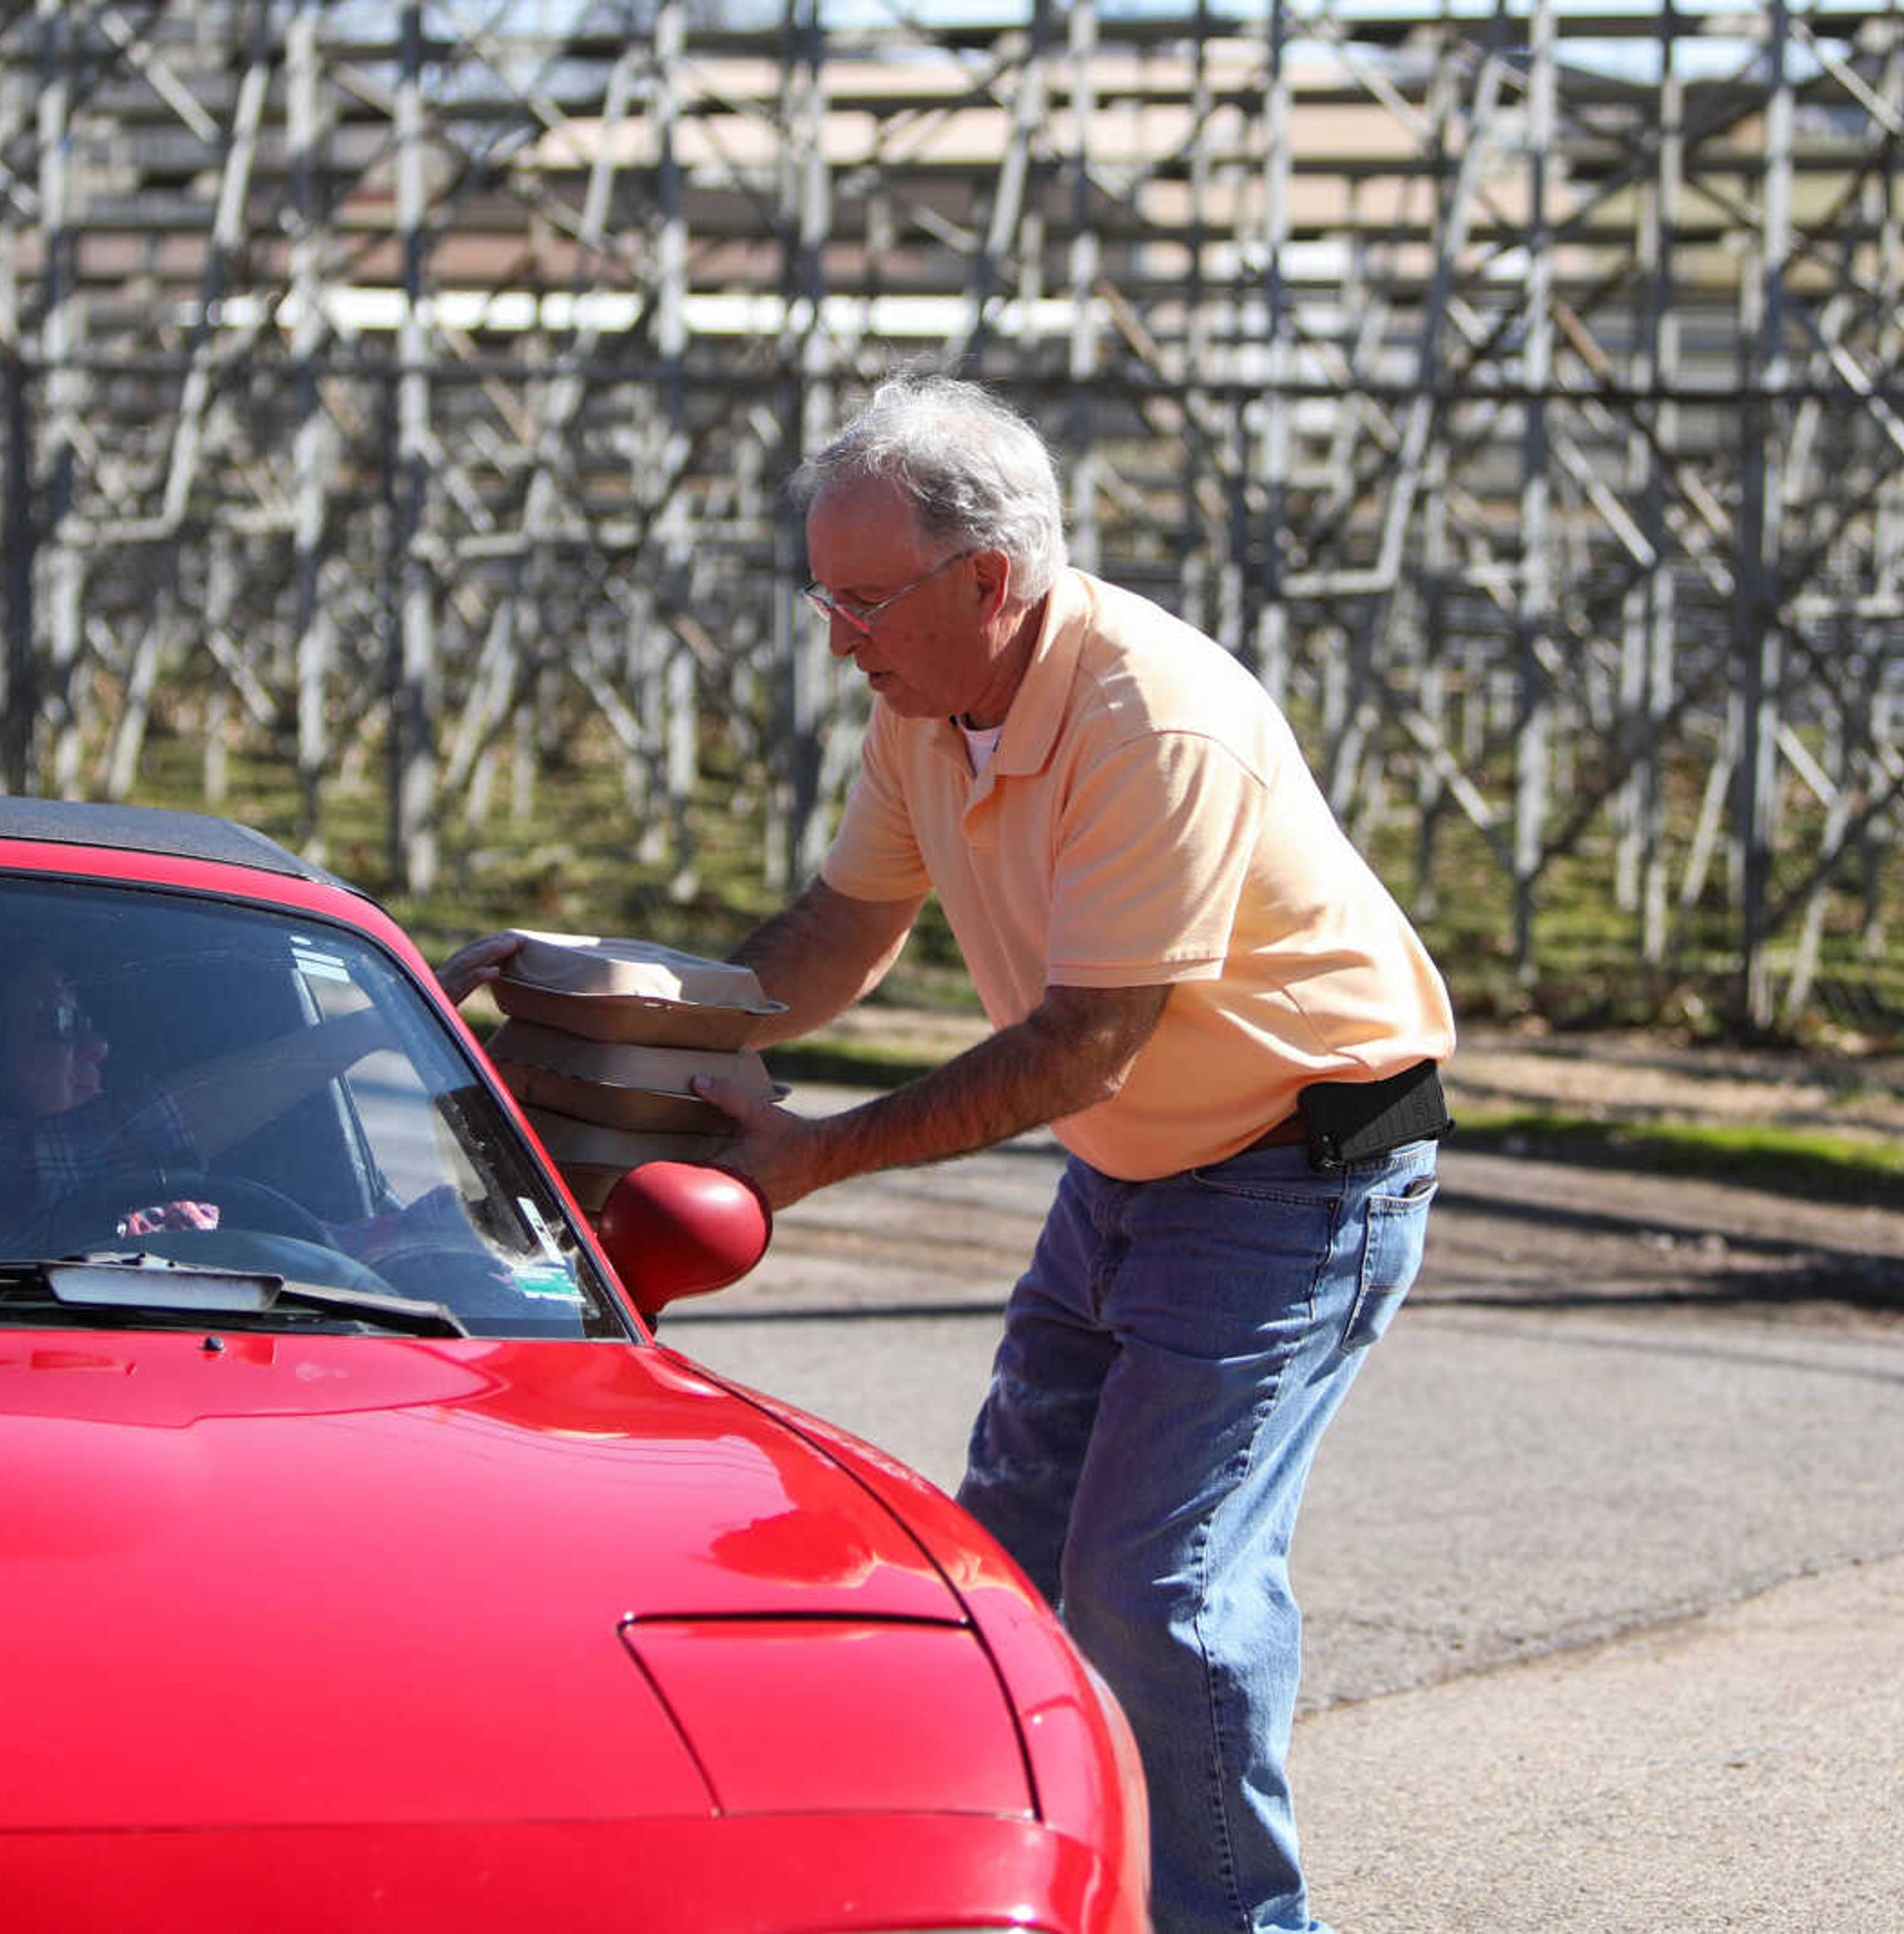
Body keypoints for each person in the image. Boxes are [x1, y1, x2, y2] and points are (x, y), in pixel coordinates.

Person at [442, 372, 1453, 1934]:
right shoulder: (933, 706)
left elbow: (1082, 1041)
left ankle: (1241, 1922)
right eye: (825, 598)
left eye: (861, 601)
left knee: (1160, 1590)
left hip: (1295, 1171)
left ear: (987, 580)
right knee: (1006, 1566)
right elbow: (840, 931)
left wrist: (813, 1151)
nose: (838, 637)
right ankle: (1047, 1891)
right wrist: (605, 1011)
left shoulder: (1149, 716)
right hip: (1137, 1166)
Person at [0, 936, 393, 1279]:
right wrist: (377, 1025)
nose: (98, 1046)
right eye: (59, 1022)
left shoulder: (140, 1202)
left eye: (85, 1020)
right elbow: (132, 1132)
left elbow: (361, 1261)